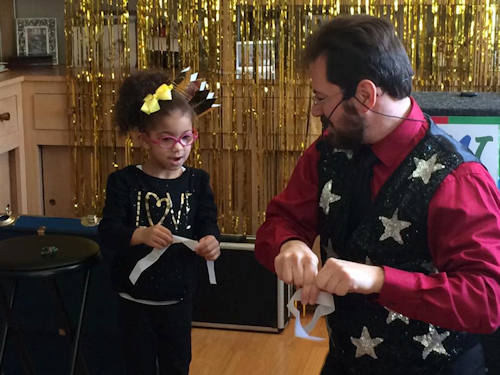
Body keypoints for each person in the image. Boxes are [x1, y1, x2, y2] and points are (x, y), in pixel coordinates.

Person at [254, 14, 500, 375]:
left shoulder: (458, 177)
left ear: (366, 95)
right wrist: (289, 244)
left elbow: (486, 301)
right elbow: (281, 221)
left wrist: (380, 279)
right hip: (346, 360)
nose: (316, 110)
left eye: (323, 99)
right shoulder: (328, 151)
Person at [98, 70, 221, 375]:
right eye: (167, 139)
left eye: (186, 138)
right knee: (138, 365)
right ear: (144, 139)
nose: (178, 148)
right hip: (133, 300)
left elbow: (207, 222)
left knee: (177, 365)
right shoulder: (124, 182)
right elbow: (108, 233)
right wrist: (140, 234)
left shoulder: (197, 182)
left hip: (178, 298)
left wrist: (211, 241)